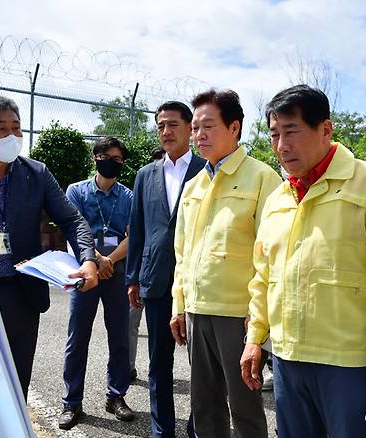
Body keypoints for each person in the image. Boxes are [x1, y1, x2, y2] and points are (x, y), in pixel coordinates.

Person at [240, 84, 366, 438]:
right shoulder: (278, 197)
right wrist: (254, 338)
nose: (281, 145)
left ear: (325, 129)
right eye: (274, 134)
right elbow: (264, 275)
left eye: (291, 131)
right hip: (288, 358)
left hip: (347, 360)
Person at [0, 94, 98, 401]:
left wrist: (88, 259)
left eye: (17, 128)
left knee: (16, 378)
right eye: (0, 129)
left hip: (20, 293)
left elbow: (72, 219)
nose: (12, 136)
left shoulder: (36, 173)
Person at [170, 89, 281, 438]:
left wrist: (259, 314)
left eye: (208, 126)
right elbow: (183, 253)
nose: (198, 135)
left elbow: (271, 253)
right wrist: (179, 305)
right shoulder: (194, 186)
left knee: (245, 406)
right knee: (204, 405)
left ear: (234, 128)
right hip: (198, 311)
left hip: (239, 315)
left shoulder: (262, 179)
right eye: (196, 128)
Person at [126, 101, 205, 438]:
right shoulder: (146, 175)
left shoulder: (207, 170)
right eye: (160, 126)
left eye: (173, 124)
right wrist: (133, 277)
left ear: (190, 128)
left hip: (199, 283)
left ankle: (198, 426)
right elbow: (138, 228)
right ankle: (162, 429)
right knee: (159, 362)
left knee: (202, 366)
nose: (166, 132)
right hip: (156, 279)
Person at [58, 137, 136, 429]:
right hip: (85, 272)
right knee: (77, 337)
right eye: (107, 156)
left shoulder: (128, 196)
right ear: (95, 158)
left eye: (118, 158)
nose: (112, 161)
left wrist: (109, 261)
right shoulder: (76, 191)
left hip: (116, 271)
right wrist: (95, 260)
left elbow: (133, 235)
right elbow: (73, 229)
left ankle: (116, 396)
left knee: (119, 335)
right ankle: (71, 402)